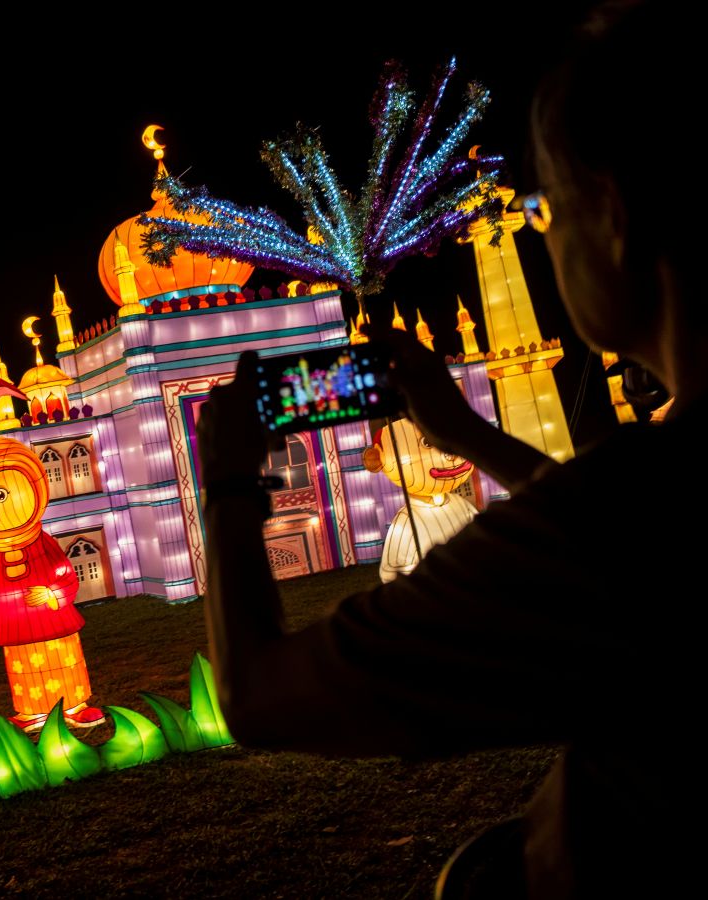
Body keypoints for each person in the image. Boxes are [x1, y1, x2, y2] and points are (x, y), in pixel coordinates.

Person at [198, 2, 694, 896]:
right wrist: (464, 435)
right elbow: (626, 543)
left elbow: (260, 696)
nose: (539, 229)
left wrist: (228, 483)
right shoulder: (640, 511)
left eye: (548, 208)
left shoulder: (618, 517)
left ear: (614, 216)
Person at [0, 437, 104, 732]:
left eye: (0, 494)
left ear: (34, 490)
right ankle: (32, 710)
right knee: (23, 668)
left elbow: (67, 575)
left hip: (52, 621)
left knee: (62, 662)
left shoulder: (43, 543)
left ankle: (74, 705)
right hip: (15, 624)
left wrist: (51, 593)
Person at [363, 417, 478, 582]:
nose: (449, 455)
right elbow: (391, 576)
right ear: (378, 458)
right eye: (427, 443)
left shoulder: (461, 505)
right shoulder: (406, 524)